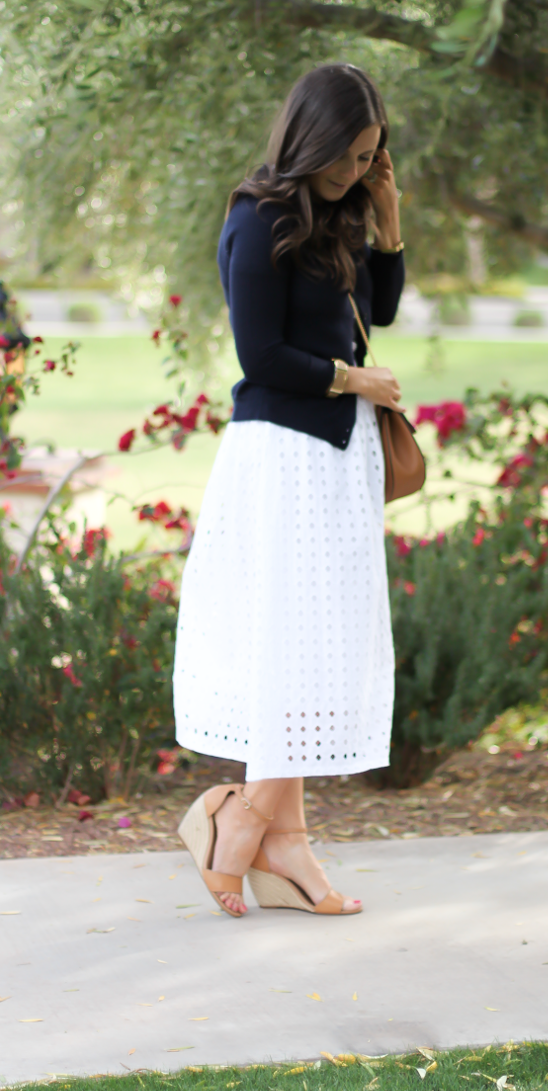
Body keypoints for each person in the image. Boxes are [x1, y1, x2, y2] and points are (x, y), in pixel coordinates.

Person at [173, 63, 405, 917]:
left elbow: (376, 309)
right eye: (346, 157)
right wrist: (354, 382)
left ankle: (283, 841)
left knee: (315, 649)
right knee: (291, 642)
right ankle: (238, 820)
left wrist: (387, 219)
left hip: (338, 464)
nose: (352, 172)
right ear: (309, 138)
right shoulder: (257, 215)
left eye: (368, 158)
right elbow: (259, 357)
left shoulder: (340, 214)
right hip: (280, 458)